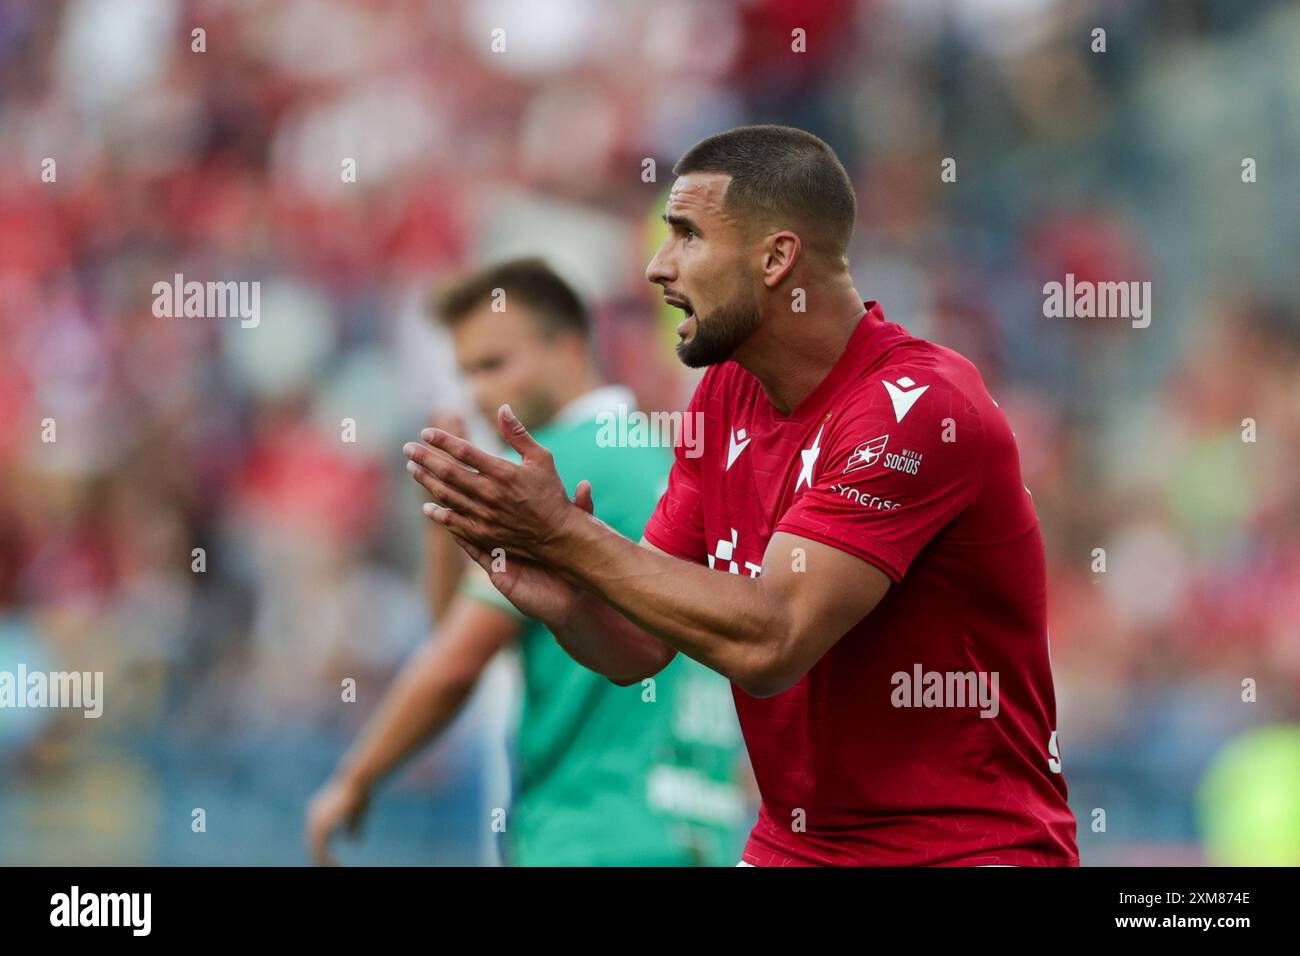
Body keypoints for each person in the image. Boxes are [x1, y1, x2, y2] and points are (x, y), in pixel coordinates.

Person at [403, 126, 1080, 866]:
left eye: (687, 236)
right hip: (798, 844)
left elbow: (773, 640)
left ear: (776, 257)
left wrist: (567, 536)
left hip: (963, 849)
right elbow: (639, 647)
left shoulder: (918, 408)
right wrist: (565, 595)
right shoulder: (726, 395)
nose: (658, 267)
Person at [308, 258, 746, 866]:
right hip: (702, 834)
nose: (480, 392)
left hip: (587, 833)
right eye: (466, 373)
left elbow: (456, 662)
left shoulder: (554, 469)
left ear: (569, 350)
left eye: (494, 364)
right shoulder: (668, 464)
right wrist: (449, 519)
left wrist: (353, 780)